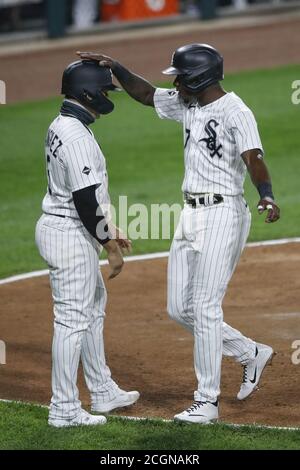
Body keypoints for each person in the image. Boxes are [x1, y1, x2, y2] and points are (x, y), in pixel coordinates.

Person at [78, 44, 280, 424]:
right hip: (189, 213)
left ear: (199, 79)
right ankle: (249, 352)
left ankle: (207, 401)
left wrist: (266, 195)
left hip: (223, 214)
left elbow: (254, 158)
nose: (175, 84)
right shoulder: (187, 102)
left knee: (204, 307)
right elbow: (147, 94)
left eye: (181, 78)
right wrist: (116, 65)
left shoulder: (236, 111)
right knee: (179, 308)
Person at [35, 60, 139, 428]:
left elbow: (86, 198)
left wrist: (108, 229)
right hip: (68, 232)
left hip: (67, 228)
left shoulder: (64, 123)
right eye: (105, 89)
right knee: (71, 321)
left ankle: (102, 390)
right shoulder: (77, 135)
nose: (108, 95)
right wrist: (110, 247)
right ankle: (63, 408)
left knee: (92, 309)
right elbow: (85, 201)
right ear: (88, 92)